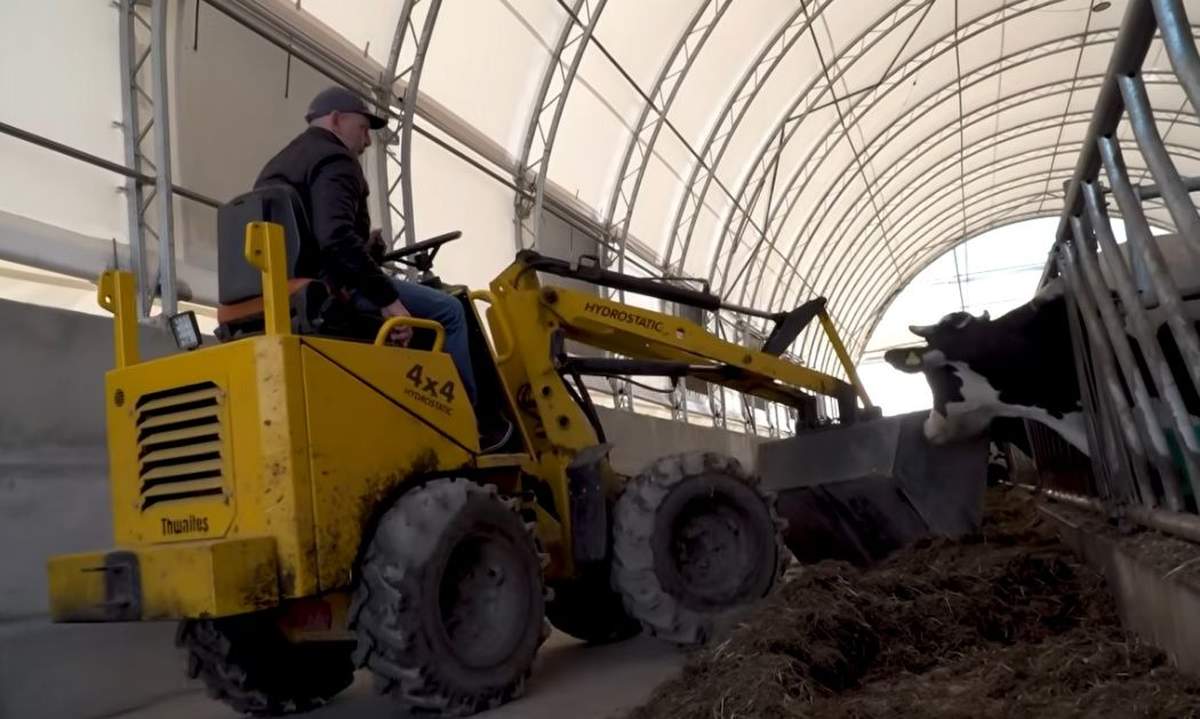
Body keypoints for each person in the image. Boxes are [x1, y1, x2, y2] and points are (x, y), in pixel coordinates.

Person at [255, 86, 508, 449]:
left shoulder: (279, 165)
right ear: (337, 120)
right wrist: (388, 299)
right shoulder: (336, 159)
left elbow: (311, 240)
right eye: (363, 129)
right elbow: (335, 237)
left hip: (291, 289)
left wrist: (367, 249)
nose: (367, 141)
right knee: (451, 310)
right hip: (334, 288)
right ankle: (474, 424)